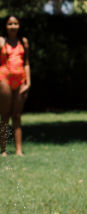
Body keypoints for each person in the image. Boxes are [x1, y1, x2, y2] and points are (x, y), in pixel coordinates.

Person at [0, 15, 30, 157]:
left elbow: (26, 63)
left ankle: (19, 150)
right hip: (4, 79)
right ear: (5, 26)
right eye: (10, 23)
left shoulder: (23, 42)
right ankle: (4, 150)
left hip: (20, 81)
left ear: (19, 25)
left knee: (17, 116)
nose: (13, 26)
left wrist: (28, 83)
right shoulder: (1, 41)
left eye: (15, 23)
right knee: (5, 115)